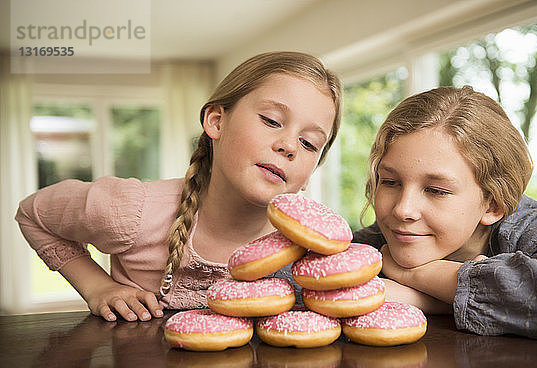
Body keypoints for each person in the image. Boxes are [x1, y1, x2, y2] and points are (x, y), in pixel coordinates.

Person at [16, 51, 342, 322]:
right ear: (216, 121)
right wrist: (98, 287)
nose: (290, 147)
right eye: (271, 121)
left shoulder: (313, 253)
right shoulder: (133, 210)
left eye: (309, 143)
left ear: (311, 173)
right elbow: (33, 213)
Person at [354, 85, 537, 344]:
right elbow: (307, 285)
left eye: (436, 190)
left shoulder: (530, 224)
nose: (403, 209)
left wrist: (419, 279)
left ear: (493, 205)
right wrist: (436, 300)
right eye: (390, 182)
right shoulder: (383, 237)